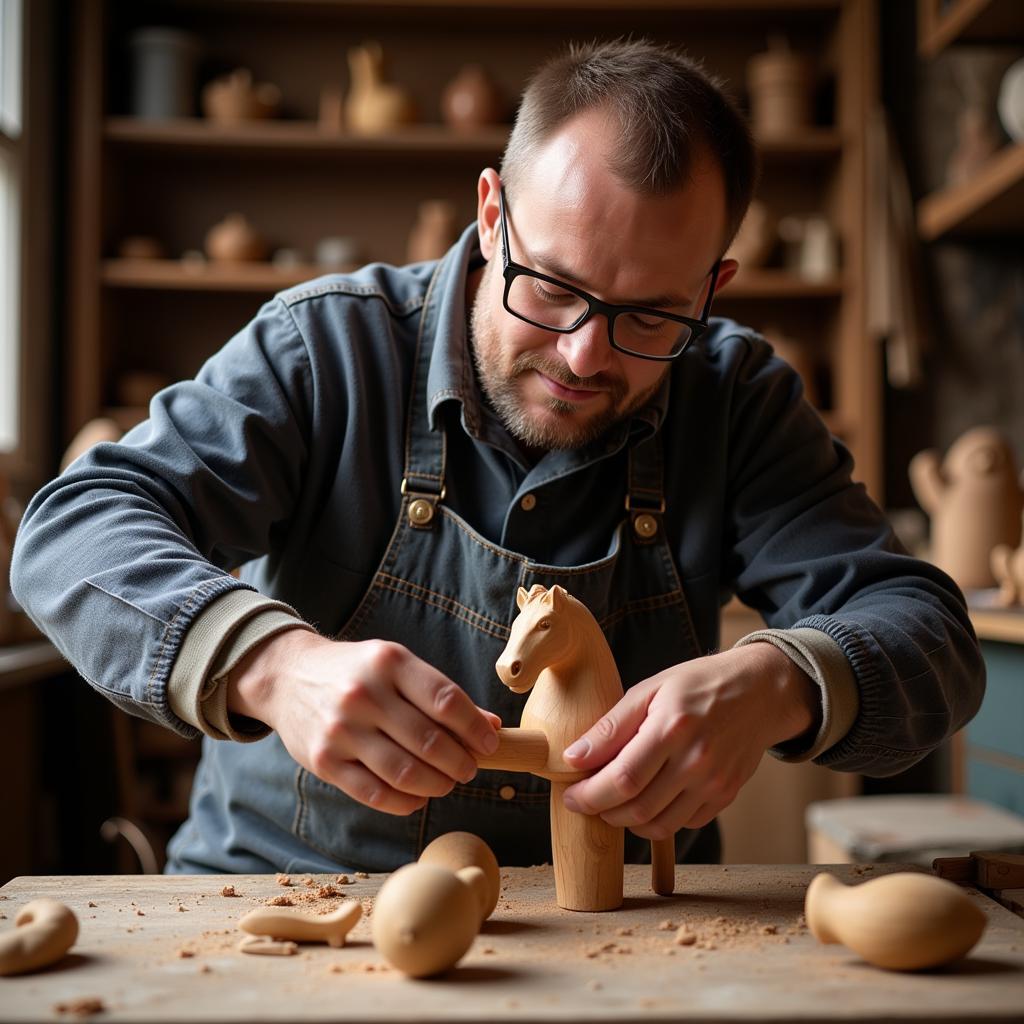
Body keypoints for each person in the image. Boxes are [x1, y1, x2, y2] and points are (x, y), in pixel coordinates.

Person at [12, 40, 984, 875]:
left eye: (648, 314)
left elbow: (930, 636)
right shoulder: (327, 349)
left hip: (621, 944)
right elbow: (74, 529)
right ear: (490, 214)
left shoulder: (736, 399)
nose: (583, 355)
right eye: (553, 287)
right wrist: (271, 662)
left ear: (712, 287)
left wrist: (782, 681)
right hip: (283, 898)